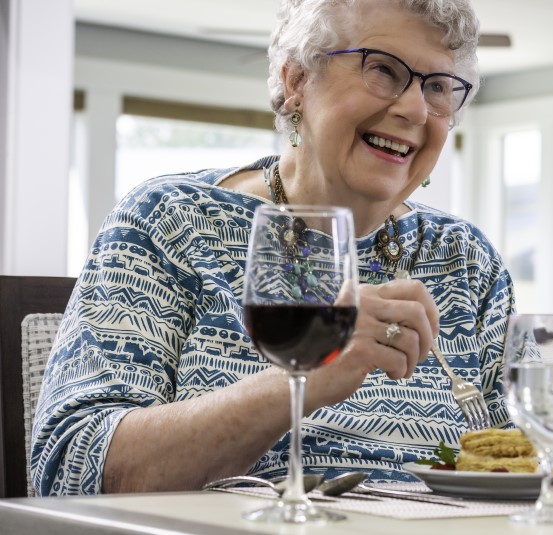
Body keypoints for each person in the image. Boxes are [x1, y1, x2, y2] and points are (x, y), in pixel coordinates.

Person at [31, 0, 515, 496]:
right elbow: (69, 471)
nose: (415, 109)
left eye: (437, 86)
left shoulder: (467, 260)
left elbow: (536, 460)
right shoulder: (174, 220)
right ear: (296, 82)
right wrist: (307, 371)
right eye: (384, 70)